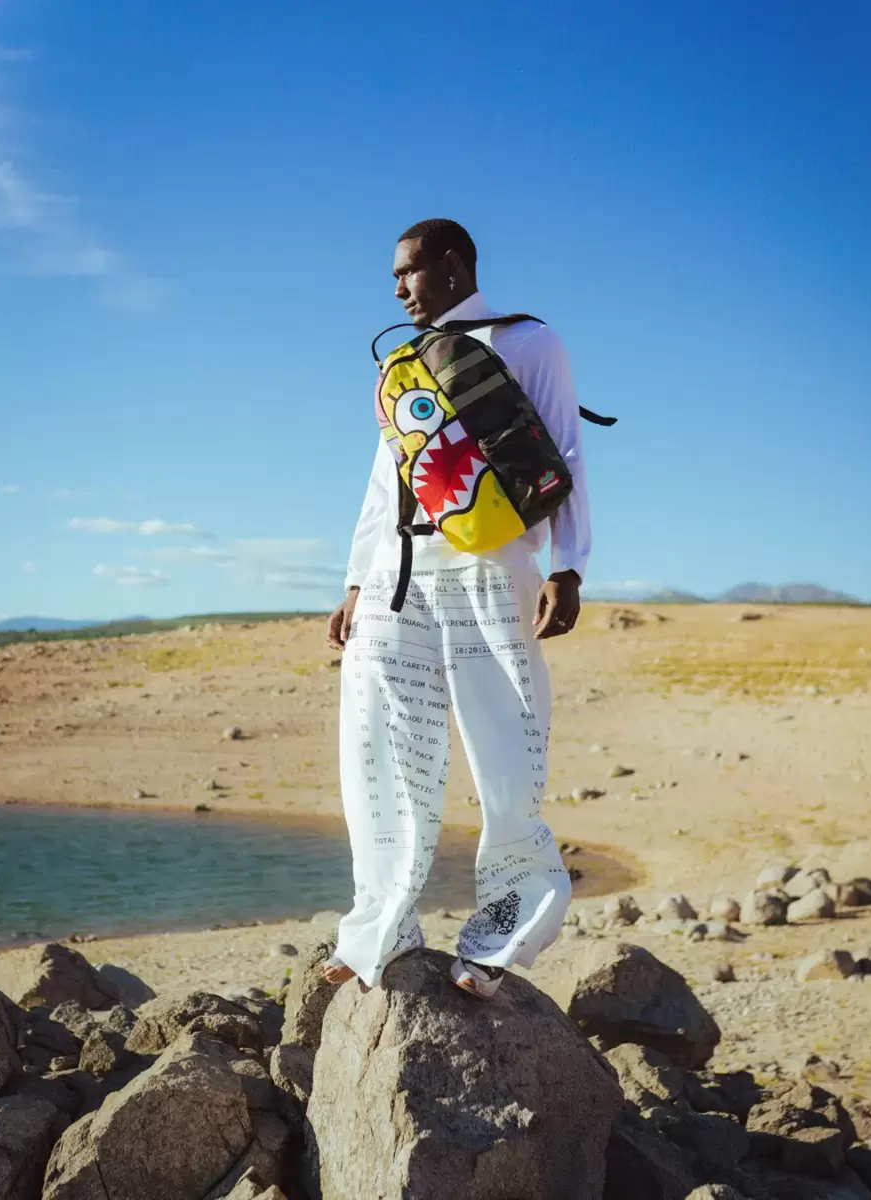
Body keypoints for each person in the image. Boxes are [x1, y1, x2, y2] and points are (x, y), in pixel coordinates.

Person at [325, 218, 591, 999]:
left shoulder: (528, 341)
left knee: (507, 757)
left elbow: (568, 453)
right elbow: (385, 479)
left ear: (450, 266)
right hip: (396, 573)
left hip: (492, 567)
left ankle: (502, 935)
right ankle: (380, 930)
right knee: (379, 755)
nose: (398, 290)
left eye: (407, 273)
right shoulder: (401, 364)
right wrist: (356, 581)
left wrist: (568, 566)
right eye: (393, 278)